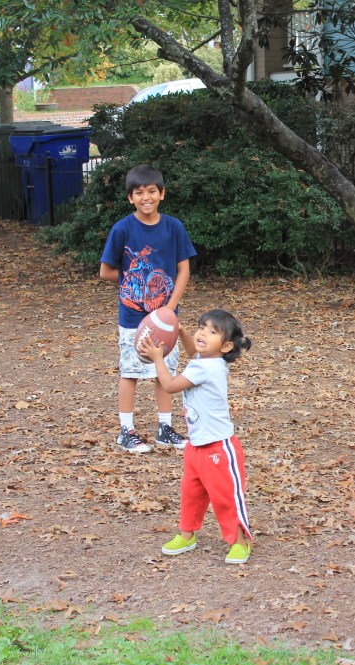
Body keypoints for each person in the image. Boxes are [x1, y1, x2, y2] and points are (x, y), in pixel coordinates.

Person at [138, 309, 254, 564]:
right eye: (201, 327)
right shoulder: (206, 360)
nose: (202, 333)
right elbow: (193, 353)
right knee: (191, 494)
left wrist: (158, 357)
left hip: (219, 449)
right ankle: (187, 535)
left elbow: (169, 386)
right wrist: (180, 332)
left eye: (212, 332)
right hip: (197, 446)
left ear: (226, 346)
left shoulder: (207, 369)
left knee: (225, 497)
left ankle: (239, 542)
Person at [100, 164, 197, 454]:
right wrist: (133, 284)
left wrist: (169, 307)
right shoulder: (122, 229)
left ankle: (165, 428)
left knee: (164, 371)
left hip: (166, 319)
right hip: (133, 318)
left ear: (162, 194)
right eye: (139, 193)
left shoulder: (174, 227)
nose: (146, 197)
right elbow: (106, 271)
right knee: (130, 372)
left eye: (151, 191)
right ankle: (126, 431)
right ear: (130, 198)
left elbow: (184, 270)